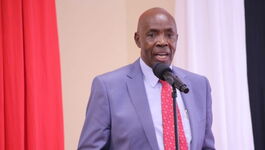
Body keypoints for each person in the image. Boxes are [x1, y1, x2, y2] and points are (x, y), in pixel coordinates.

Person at [78, 7, 215, 150]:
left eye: (169, 35)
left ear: (176, 38)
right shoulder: (108, 87)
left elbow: (206, 146)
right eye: (152, 35)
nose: (162, 42)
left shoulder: (199, 86)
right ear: (138, 40)